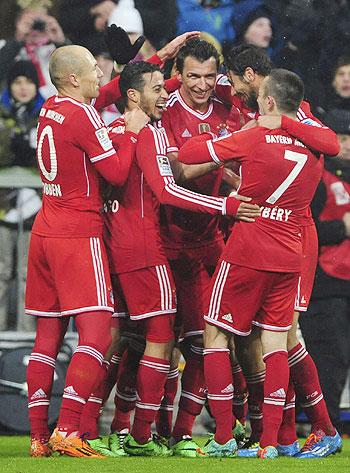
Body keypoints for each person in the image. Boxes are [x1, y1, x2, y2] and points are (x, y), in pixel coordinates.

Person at [100, 60, 256, 457]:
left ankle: (165, 432)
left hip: (180, 246)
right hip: (158, 247)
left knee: (185, 343)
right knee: (151, 342)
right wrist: (226, 203)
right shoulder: (154, 126)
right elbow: (171, 185)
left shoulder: (115, 128)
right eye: (163, 85)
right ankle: (134, 432)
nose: (167, 91)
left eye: (208, 76)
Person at [178, 68, 329, 459]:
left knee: (215, 334)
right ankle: (271, 443)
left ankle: (225, 437)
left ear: (269, 101)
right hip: (289, 252)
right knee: (277, 342)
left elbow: (191, 155)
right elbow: (328, 141)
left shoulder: (256, 136)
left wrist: (209, 139)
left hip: (250, 245)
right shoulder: (314, 145)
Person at [215, 44, 342, 459]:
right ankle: (286, 435)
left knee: (284, 335)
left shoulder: (293, 109)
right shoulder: (257, 115)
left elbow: (329, 142)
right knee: (273, 337)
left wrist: (283, 122)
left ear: (253, 79)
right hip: (272, 234)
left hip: (295, 236)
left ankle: (319, 428)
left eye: (235, 82)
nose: (232, 92)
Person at [25, 44, 149, 458]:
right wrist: (131, 132)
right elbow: (114, 170)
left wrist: (153, 61)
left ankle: (39, 437)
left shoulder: (50, 107)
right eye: (95, 70)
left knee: (47, 338)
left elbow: (102, 98)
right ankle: (69, 430)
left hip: (44, 230)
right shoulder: (82, 115)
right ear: (75, 79)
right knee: (96, 332)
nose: (101, 75)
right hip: (78, 233)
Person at [159, 37, 256, 456]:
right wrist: (223, 153)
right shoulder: (165, 109)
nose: (200, 86)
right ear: (178, 72)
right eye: (191, 76)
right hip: (166, 241)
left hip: (211, 239)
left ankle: (191, 431)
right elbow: (179, 172)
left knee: (210, 340)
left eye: (207, 76)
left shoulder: (225, 104)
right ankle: (150, 431)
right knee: (156, 341)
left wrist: (241, 184)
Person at [300, 108, 350, 437]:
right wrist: (342, 227)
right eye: (342, 138)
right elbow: (305, 227)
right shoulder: (316, 176)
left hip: (343, 282)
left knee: (336, 357)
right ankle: (324, 425)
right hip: (324, 282)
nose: (346, 145)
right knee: (328, 358)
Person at [0, 60, 44, 332]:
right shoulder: (2, 114)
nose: (23, 87)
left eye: (27, 81)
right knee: (2, 273)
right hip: (3, 208)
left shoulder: (45, 114)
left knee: (30, 276)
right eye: (17, 82)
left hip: (37, 208)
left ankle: (27, 338)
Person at [0, 5, 69, 99]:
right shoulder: (5, 46)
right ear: (18, 23)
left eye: (40, 22)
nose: (35, 28)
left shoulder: (59, 50)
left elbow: (78, 72)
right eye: (29, 23)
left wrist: (61, 42)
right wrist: (17, 41)